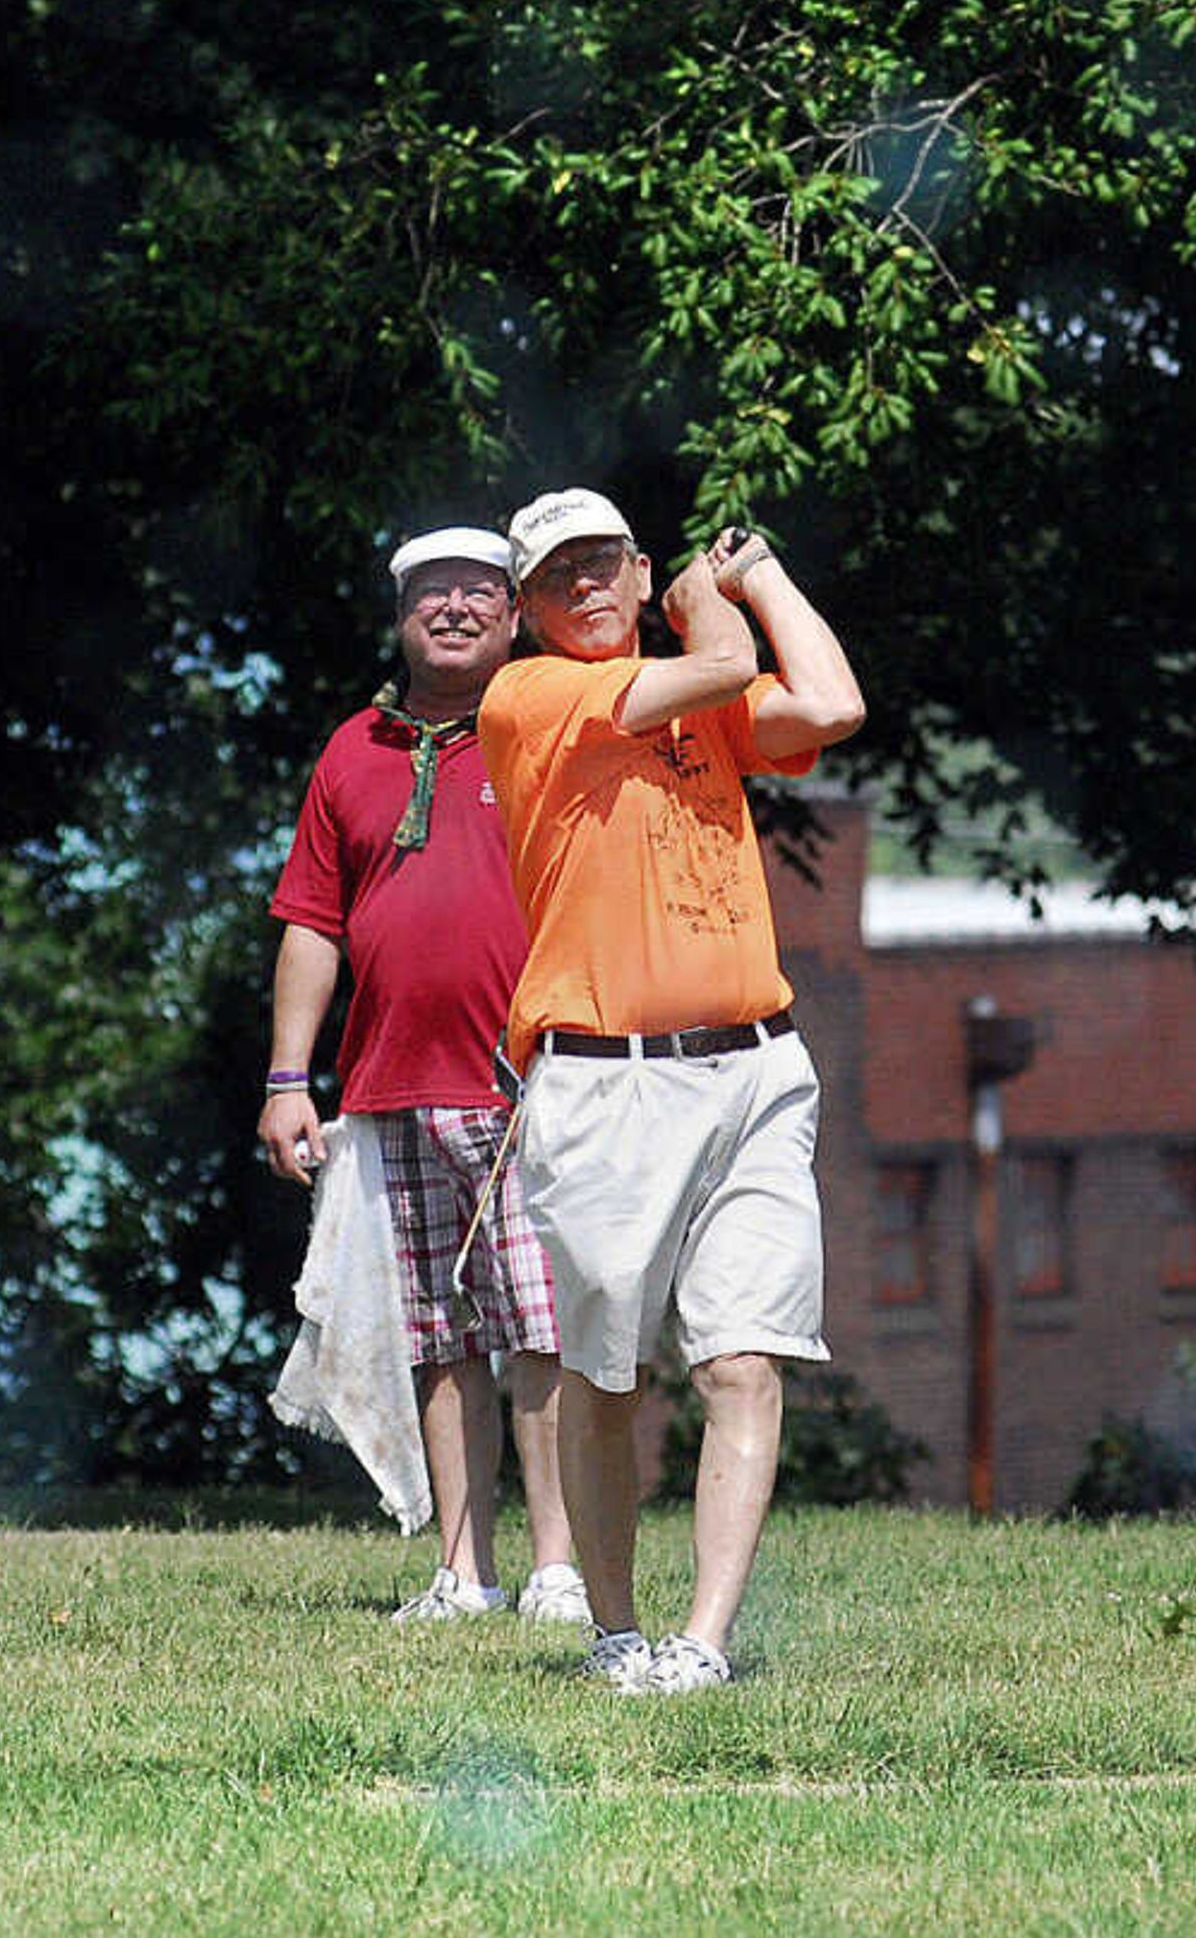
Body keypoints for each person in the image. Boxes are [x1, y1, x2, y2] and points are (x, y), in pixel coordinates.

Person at [478, 489, 866, 1694]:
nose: (587, 587)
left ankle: (700, 1646)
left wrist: (763, 574)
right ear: (529, 614)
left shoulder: (709, 689)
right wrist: (714, 607)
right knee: (606, 1381)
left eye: (605, 564)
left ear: (640, 572)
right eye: (558, 578)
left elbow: (836, 704)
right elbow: (729, 664)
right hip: (606, 1087)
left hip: (754, 1067)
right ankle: (613, 1629)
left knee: (744, 1361)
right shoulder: (530, 698)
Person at [261, 528, 583, 1624]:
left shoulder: (546, 720)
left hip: (527, 1080)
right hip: (388, 1084)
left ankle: (558, 1570)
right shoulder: (351, 749)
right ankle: (464, 1572)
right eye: (430, 592)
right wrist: (285, 1078)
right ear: (400, 616)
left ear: (513, 613)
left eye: (479, 591)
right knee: (439, 1340)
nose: (453, 607)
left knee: (539, 1329)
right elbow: (312, 923)